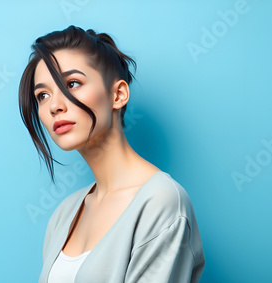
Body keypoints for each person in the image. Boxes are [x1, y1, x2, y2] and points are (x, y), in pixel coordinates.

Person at [18, 25, 205, 283]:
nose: (54, 106)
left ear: (118, 94)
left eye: (72, 83)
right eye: (42, 95)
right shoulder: (64, 214)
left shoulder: (161, 201)